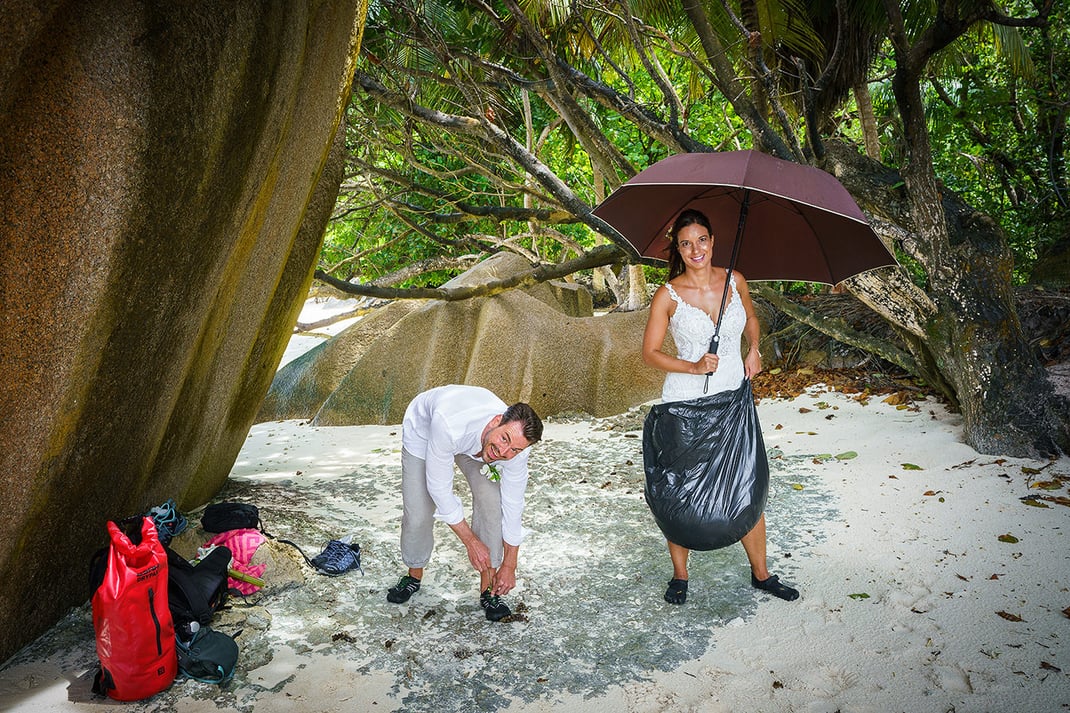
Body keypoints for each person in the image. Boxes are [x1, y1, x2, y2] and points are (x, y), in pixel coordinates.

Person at [641, 208, 799, 604]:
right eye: (686, 243)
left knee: (747, 483)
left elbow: (750, 319)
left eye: (702, 240)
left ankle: (761, 575)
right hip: (685, 403)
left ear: (713, 241)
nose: (695, 249)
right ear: (677, 249)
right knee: (682, 491)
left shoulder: (736, 280)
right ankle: (680, 575)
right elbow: (650, 353)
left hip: (734, 396)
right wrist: (692, 365)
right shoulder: (668, 294)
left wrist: (755, 348)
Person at [385, 384, 544, 621]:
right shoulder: (449, 423)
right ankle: (414, 574)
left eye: (514, 449)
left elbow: (513, 505)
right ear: (496, 422)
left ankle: (488, 590)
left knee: (492, 503)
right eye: (504, 438)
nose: (504, 451)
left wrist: (510, 565)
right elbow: (439, 488)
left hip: (475, 445)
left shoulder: (515, 448)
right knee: (418, 513)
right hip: (427, 432)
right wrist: (470, 541)